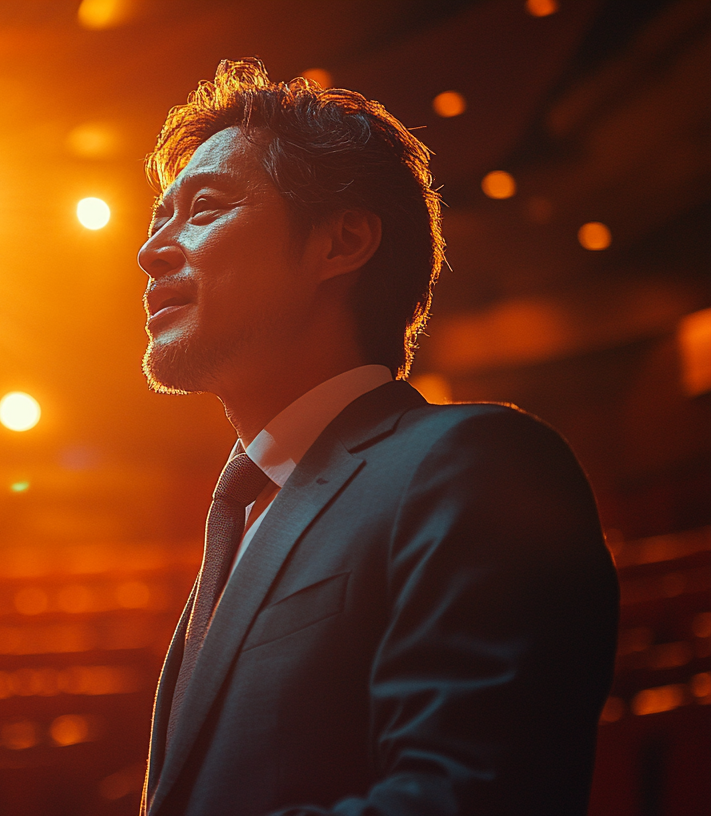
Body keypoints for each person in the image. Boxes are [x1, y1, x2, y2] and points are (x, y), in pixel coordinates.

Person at [135, 58, 619, 816]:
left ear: (343, 242)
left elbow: (466, 797)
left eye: (205, 208)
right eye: (159, 218)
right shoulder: (248, 509)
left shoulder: (472, 465)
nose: (152, 250)